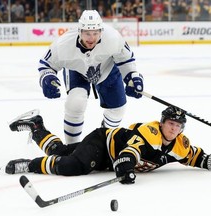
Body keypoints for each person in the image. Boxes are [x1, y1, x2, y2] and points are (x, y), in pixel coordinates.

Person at [5, 106, 211, 184]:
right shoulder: (150, 132)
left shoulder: (179, 145)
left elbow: (194, 156)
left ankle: (36, 126)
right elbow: (130, 151)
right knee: (74, 165)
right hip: (103, 143)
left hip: (109, 156)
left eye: (178, 126)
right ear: (162, 122)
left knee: (60, 152)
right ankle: (30, 164)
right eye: (170, 123)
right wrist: (125, 167)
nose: (173, 128)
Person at [38, 10, 143, 144]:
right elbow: (46, 65)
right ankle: (72, 147)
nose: (91, 38)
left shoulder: (113, 38)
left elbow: (126, 60)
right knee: (76, 103)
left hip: (107, 69)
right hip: (77, 70)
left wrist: (132, 77)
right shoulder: (63, 44)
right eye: (87, 33)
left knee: (118, 109)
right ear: (79, 31)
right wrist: (47, 78)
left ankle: (104, 143)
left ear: (101, 31)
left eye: (95, 33)